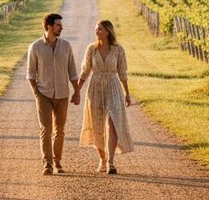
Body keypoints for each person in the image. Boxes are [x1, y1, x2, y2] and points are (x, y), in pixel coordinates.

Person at [26, 12, 80, 175]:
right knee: (46, 129)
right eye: (58, 25)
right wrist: (36, 93)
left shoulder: (66, 46)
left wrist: (77, 91)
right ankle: (47, 164)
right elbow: (30, 74)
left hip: (62, 94)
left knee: (60, 130)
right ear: (49, 26)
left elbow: (72, 71)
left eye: (61, 25)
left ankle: (57, 162)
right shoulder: (35, 47)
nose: (61, 28)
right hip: (43, 94)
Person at [78, 20, 133, 174]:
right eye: (96, 29)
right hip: (95, 88)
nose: (97, 32)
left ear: (108, 31)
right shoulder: (91, 49)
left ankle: (111, 162)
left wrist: (127, 94)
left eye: (100, 29)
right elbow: (85, 71)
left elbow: (122, 73)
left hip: (113, 87)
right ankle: (102, 158)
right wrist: (77, 91)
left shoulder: (118, 50)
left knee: (113, 122)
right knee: (97, 125)